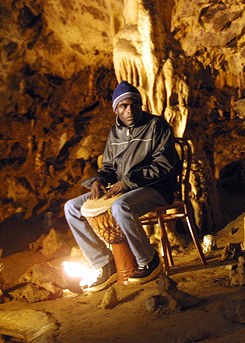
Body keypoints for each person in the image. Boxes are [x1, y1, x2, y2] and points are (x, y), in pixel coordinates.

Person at [64, 81, 180, 292]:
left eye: (134, 104)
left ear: (140, 105)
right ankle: (103, 263)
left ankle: (149, 261)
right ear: (116, 109)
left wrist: (127, 182)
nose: (130, 110)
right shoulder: (114, 133)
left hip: (156, 189)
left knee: (121, 207)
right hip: (121, 188)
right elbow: (109, 166)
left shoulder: (157, 127)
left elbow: (164, 166)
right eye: (124, 106)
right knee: (71, 207)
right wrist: (98, 180)